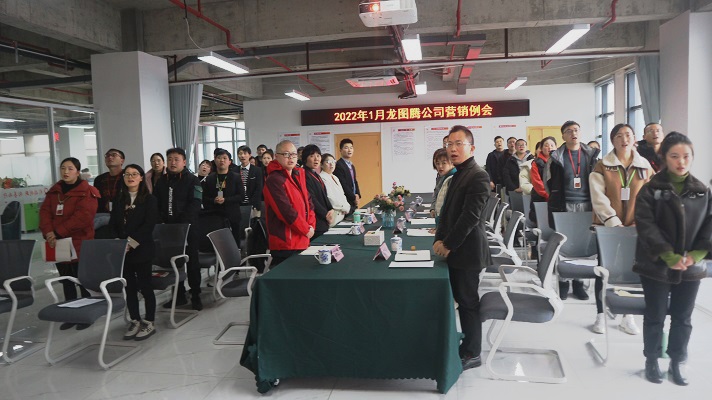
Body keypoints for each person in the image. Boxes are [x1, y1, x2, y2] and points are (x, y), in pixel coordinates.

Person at [634, 132, 712, 386]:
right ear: (664, 158)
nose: (681, 162)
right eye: (675, 156)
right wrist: (668, 255)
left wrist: (696, 255)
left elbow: (709, 227)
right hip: (655, 264)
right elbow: (646, 226)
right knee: (655, 315)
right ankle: (652, 360)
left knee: (683, 317)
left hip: (690, 267)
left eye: (686, 156)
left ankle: (677, 361)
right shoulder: (650, 190)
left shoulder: (702, 191)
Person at [433, 125, 491, 371]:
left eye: (459, 144)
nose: (453, 149)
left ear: (472, 147)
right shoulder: (458, 173)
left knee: (468, 302)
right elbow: (448, 213)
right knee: (462, 300)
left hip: (468, 251)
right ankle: (465, 344)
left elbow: (470, 217)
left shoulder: (478, 175)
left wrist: (448, 244)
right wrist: (439, 238)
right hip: (458, 249)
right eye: (449, 144)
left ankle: (472, 353)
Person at [589, 123, 654, 336]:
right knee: (604, 269)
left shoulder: (645, 166)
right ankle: (600, 314)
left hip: (635, 228)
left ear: (634, 138)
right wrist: (613, 222)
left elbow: (651, 196)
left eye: (628, 135)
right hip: (608, 228)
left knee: (632, 270)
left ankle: (628, 316)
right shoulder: (602, 166)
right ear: (612, 140)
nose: (624, 139)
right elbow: (598, 197)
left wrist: (641, 221)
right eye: (619, 135)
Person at [39, 157, 100, 330]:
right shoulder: (54, 191)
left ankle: (86, 316)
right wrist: (48, 232)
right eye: (63, 168)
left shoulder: (87, 191)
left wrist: (58, 232)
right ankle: (71, 315)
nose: (66, 172)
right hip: (57, 242)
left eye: (70, 168)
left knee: (82, 280)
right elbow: (44, 213)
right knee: (66, 280)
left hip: (79, 242)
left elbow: (83, 217)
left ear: (78, 172)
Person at [544, 121, 600, 300]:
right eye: (569, 131)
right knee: (564, 245)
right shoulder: (556, 157)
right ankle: (563, 282)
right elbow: (547, 183)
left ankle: (578, 283)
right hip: (564, 206)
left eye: (576, 130)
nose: (573, 133)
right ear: (563, 136)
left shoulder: (590, 155)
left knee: (582, 245)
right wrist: (556, 199)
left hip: (587, 206)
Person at [109, 164, 159, 341]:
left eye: (134, 174)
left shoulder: (149, 199)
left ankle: (150, 321)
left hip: (142, 249)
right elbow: (113, 224)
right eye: (127, 174)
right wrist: (118, 241)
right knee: (129, 288)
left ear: (141, 178)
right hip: (123, 251)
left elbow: (148, 225)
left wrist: (131, 243)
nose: (130, 177)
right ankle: (135, 320)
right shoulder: (119, 199)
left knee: (145, 287)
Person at [154, 148, 204, 310]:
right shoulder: (162, 181)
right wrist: (161, 221)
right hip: (167, 230)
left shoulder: (192, 180)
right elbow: (155, 203)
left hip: (188, 229)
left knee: (192, 263)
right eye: (170, 159)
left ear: (184, 162)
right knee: (173, 263)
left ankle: (196, 295)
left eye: (176, 159)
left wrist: (180, 223)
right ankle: (179, 295)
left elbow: (195, 204)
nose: (173, 162)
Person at [263, 140, 316, 267]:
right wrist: (305, 229)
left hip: (302, 238)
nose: (291, 158)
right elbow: (285, 212)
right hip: (285, 244)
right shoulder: (274, 179)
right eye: (286, 154)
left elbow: (308, 202)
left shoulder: (298, 175)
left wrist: (311, 225)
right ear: (276, 156)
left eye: (293, 154)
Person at [203, 148, 245, 246]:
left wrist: (226, 200)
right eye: (219, 158)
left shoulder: (236, 177)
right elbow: (204, 198)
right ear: (215, 160)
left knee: (234, 242)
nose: (221, 160)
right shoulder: (210, 178)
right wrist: (214, 200)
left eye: (225, 158)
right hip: (215, 214)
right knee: (218, 243)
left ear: (229, 162)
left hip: (232, 214)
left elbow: (241, 196)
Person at [301, 145, 334, 238]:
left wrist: (330, 209)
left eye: (318, 156)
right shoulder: (304, 175)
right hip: (316, 220)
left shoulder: (315, 174)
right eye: (312, 156)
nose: (316, 159)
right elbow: (311, 199)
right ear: (305, 158)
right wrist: (325, 214)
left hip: (323, 219)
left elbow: (324, 195)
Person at [529, 137, 557, 223]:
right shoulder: (536, 163)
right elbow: (537, 183)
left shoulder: (559, 161)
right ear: (541, 148)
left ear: (556, 147)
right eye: (546, 145)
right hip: (541, 198)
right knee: (542, 222)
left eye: (552, 145)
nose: (549, 148)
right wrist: (549, 195)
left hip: (556, 198)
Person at [319, 153, 350, 227]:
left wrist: (347, 206)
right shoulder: (322, 178)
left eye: (333, 162)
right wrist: (344, 207)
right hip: (334, 215)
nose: (331, 164)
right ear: (321, 165)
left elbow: (342, 194)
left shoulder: (335, 177)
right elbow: (330, 198)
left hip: (342, 213)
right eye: (328, 162)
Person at [94, 148, 125, 215]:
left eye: (114, 155)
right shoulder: (99, 179)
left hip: (124, 212)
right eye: (107, 156)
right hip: (104, 213)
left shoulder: (127, 176)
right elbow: (97, 200)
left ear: (122, 161)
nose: (110, 157)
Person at [333, 138, 360, 213]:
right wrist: (353, 197)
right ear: (340, 150)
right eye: (346, 148)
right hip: (346, 200)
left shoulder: (351, 165)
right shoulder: (339, 165)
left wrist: (357, 194)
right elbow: (343, 184)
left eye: (351, 148)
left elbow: (354, 181)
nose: (349, 150)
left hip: (353, 199)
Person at [430, 148, 456, 225]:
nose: (440, 166)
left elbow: (449, 207)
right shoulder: (443, 176)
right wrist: (433, 208)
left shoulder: (453, 178)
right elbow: (436, 193)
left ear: (452, 162)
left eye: (444, 163)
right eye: (437, 163)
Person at [236, 145, 263, 213]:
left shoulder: (257, 170)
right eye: (240, 153)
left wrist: (253, 203)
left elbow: (258, 188)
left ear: (250, 155)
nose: (242, 156)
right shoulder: (234, 170)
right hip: (238, 205)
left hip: (253, 205)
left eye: (245, 153)